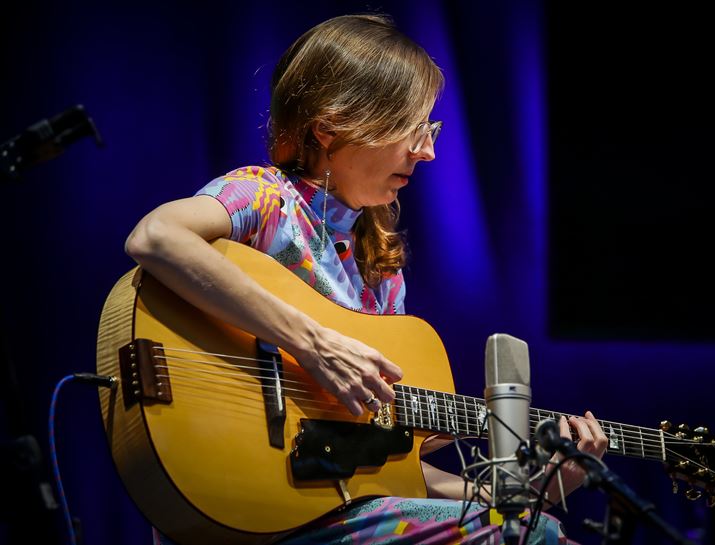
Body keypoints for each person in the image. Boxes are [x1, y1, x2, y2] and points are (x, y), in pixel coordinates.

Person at [125, 14, 607, 545]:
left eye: (431, 128)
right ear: (330, 126)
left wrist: (536, 489)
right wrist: (312, 344)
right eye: (411, 128)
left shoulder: (379, 266)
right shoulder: (264, 199)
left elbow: (381, 472)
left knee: (529, 529)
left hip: (328, 512)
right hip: (241, 513)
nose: (428, 151)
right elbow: (157, 237)